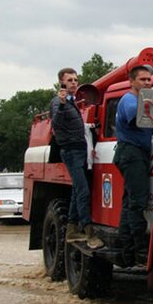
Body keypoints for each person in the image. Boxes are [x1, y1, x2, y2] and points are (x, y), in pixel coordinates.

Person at [50, 68, 104, 249]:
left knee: (77, 190)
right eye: (70, 80)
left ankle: (72, 230)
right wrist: (63, 103)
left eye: (76, 79)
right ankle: (89, 233)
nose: (74, 82)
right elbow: (56, 123)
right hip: (71, 151)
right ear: (61, 82)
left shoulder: (73, 102)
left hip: (79, 150)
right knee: (83, 190)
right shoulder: (59, 102)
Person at [114, 65, 153, 265]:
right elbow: (137, 119)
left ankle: (126, 251)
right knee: (137, 202)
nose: (147, 82)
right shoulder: (129, 100)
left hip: (133, 153)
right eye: (143, 79)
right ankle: (141, 252)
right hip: (131, 153)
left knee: (129, 202)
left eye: (149, 79)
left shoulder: (142, 101)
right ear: (132, 81)